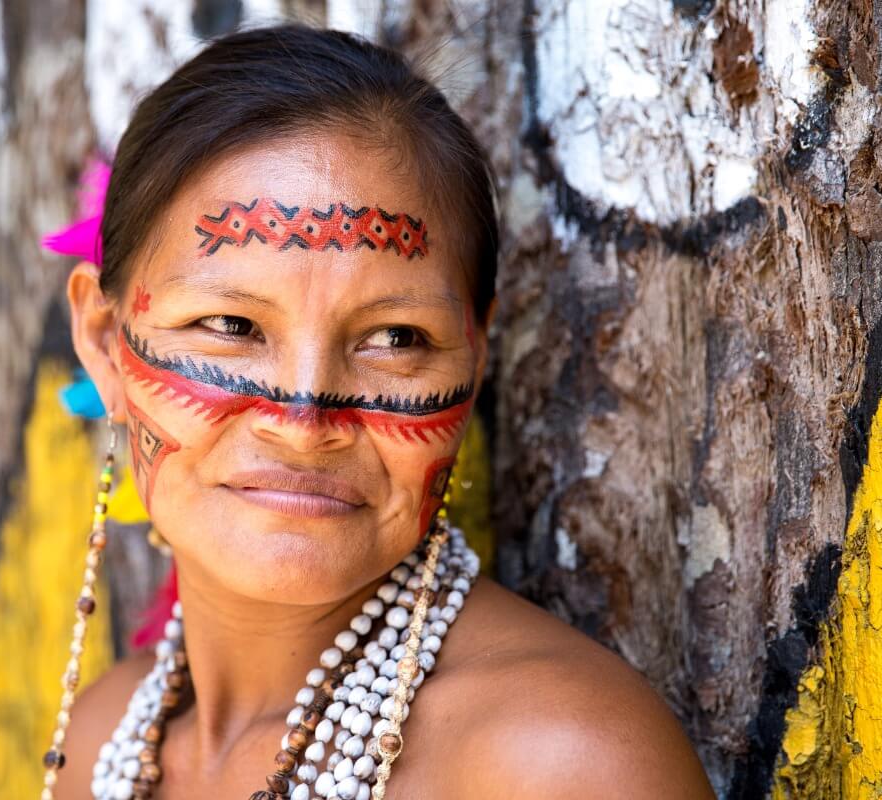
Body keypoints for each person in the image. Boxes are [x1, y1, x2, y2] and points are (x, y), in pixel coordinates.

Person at [48, 24, 714, 800]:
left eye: (395, 338)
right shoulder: (101, 744)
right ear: (103, 340)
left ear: (477, 349)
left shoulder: (563, 764)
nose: (301, 418)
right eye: (232, 327)